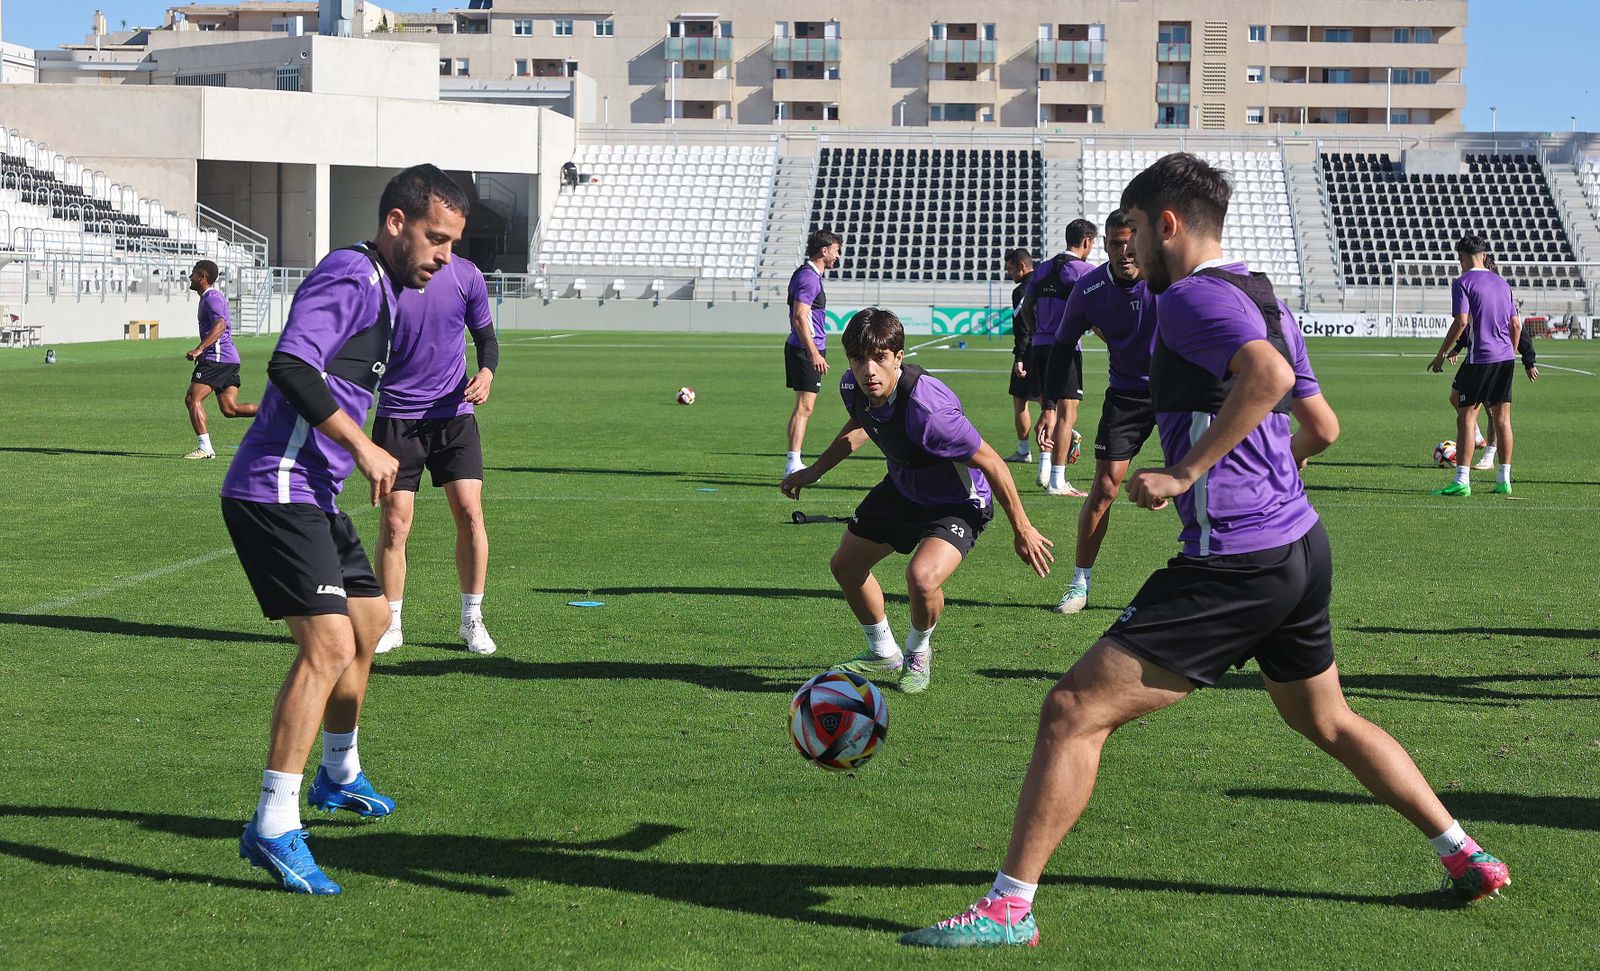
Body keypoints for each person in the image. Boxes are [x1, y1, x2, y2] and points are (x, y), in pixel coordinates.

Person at [900, 153, 1508, 949]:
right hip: (1299, 546)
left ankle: (1009, 907)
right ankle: (1464, 853)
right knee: (1326, 717)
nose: (1131, 247)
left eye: (1138, 231)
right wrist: (1258, 471)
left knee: (1071, 711)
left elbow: (1264, 373)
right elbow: (1320, 428)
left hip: (1236, 564)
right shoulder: (1264, 294)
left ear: (1169, 225)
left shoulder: (1188, 299)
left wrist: (1188, 468)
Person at [219, 164, 469, 895]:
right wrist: (362, 444)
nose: (445, 255)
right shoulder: (352, 274)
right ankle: (271, 824)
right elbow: (292, 364)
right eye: (437, 238)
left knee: (366, 623)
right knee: (327, 645)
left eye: (453, 243)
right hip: (276, 487)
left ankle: (337, 774)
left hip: (316, 492)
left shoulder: (390, 289)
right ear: (397, 222)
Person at [781, 308, 1053, 694]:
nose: (869, 370)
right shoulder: (852, 388)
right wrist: (814, 471)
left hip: (957, 501)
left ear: (898, 357)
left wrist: (1023, 529)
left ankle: (918, 651)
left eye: (879, 358)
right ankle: (883, 652)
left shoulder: (931, 412)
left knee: (922, 579)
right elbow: (859, 426)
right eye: (859, 359)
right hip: (904, 486)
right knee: (846, 566)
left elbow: (993, 462)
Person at [372, 255, 501, 657]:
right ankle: (390, 623)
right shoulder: (384, 276)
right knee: (395, 525)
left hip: (454, 417)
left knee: (470, 515)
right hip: (397, 417)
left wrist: (486, 373)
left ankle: (471, 619)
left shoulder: (468, 274)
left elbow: (487, 339)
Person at [1047, 210, 1158, 613]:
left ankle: (1215, 577)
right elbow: (1061, 348)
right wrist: (1048, 407)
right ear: (1103, 244)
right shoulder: (1089, 288)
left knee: (1204, 482)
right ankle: (1080, 583)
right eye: (1115, 243)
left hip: (1179, 393)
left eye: (1132, 242)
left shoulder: (1169, 279)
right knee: (1105, 488)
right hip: (1127, 395)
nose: (1125, 251)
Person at [1428, 236, 1521, 496]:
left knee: (1466, 418)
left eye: (1458, 257)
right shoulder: (1502, 283)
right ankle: (1504, 480)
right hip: (1504, 359)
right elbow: (1516, 325)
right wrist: (1508, 355)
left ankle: (1462, 481)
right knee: (1503, 419)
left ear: (1463, 256)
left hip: (1480, 357)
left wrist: (1440, 355)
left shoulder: (1463, 282)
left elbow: (1461, 322)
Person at [1021, 219, 1097, 495]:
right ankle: (1057, 480)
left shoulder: (1042, 268)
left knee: (1048, 410)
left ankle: (1044, 469)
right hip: (1065, 348)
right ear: (1087, 242)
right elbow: (1095, 312)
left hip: (1040, 345)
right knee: (1067, 414)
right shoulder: (1085, 271)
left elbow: (1027, 308)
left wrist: (1037, 333)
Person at [183, 260, 258, 459]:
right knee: (230, 409)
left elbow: (220, 324)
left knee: (193, 399)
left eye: (193, 273)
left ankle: (205, 448)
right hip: (228, 358)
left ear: (202, 276)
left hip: (216, 357)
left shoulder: (211, 298)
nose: (190, 277)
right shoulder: (209, 298)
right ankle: (276, 411)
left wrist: (200, 349)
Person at [784, 229, 842, 476]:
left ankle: (793, 460)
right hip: (806, 349)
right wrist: (814, 353)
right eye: (836, 251)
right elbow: (800, 316)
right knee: (804, 408)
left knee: (804, 407)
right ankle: (792, 463)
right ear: (824, 250)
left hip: (804, 348)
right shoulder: (809, 278)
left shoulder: (807, 274)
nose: (838, 256)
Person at [1447, 320, 1537, 471]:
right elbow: (1470, 325)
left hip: (1494, 359)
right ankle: (1476, 435)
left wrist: (1529, 362)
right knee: (1455, 398)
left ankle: (1489, 456)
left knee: (1492, 411)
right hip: (1474, 357)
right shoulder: (1476, 298)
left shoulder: (1503, 299)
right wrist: (1458, 346)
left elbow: (1517, 327)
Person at [1003, 248, 1040, 464]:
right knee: (1049, 403)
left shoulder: (1021, 291)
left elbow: (1023, 326)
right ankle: (1066, 432)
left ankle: (1024, 450)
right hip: (1049, 348)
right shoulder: (1045, 283)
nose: (1009, 274)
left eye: (1010, 269)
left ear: (1022, 266)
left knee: (1020, 401)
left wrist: (1019, 357)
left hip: (1029, 352)